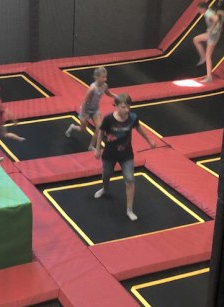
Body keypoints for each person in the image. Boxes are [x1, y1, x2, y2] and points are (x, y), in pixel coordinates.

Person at [93, 93, 157, 222]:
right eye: (123, 107)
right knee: (106, 174)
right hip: (110, 153)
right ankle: (105, 189)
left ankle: (129, 210)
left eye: (128, 107)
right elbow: (101, 132)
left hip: (126, 154)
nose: (126, 110)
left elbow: (139, 129)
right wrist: (98, 149)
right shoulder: (108, 119)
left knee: (129, 180)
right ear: (116, 106)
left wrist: (149, 141)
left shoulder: (133, 117)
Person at [65, 66, 115, 150]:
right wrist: (83, 115)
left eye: (106, 77)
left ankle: (91, 146)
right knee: (82, 129)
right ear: (97, 77)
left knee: (99, 128)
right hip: (86, 110)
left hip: (95, 110)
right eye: (103, 77)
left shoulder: (104, 86)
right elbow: (84, 102)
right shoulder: (92, 89)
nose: (105, 79)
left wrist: (116, 96)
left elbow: (108, 93)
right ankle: (72, 127)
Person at [191, 1, 224, 84]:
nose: (198, 11)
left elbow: (216, 19)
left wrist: (212, 28)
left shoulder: (207, 13)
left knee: (208, 55)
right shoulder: (210, 11)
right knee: (196, 39)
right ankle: (203, 57)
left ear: (203, 8)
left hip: (213, 35)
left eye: (199, 9)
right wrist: (221, 25)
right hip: (214, 33)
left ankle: (209, 77)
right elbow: (222, 13)